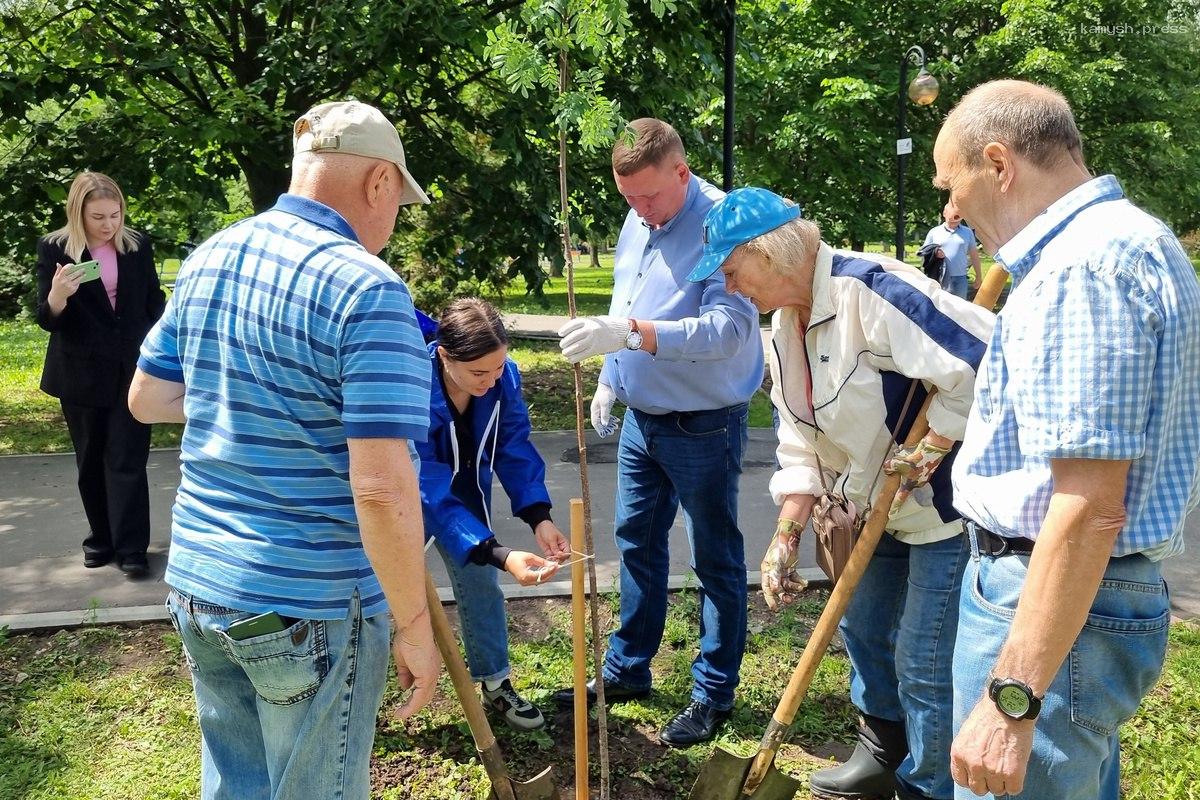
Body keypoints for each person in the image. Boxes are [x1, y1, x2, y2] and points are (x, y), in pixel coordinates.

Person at [127, 100, 440, 800]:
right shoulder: (368, 288)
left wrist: (244, 401)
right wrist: (414, 624)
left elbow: (146, 398)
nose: (395, 222)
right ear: (380, 183)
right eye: (401, 200)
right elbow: (382, 490)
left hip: (203, 584)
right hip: (310, 604)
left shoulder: (211, 256)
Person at [934, 80, 1200, 799]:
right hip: (1075, 604)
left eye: (952, 185)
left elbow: (1086, 507)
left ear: (998, 164)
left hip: (1046, 606)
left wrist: (1010, 701)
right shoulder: (1128, 241)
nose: (951, 212)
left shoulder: (1082, 268)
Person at [690, 187, 993, 799]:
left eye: (730, 270)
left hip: (940, 510)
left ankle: (929, 784)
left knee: (923, 657)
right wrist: (786, 534)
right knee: (863, 629)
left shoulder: (872, 290)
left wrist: (934, 445)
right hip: (863, 504)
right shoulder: (781, 328)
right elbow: (798, 437)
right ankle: (883, 752)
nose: (728, 287)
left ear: (765, 253)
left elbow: (986, 357)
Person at [552, 118, 764, 747]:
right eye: (628, 200)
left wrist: (631, 336)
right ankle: (626, 670)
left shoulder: (723, 225)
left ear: (681, 170)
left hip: (703, 424)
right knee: (636, 544)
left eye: (648, 197)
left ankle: (712, 693)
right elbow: (627, 297)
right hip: (645, 420)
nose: (640, 212)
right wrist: (613, 376)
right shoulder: (640, 215)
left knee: (715, 558)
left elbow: (729, 330)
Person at [416, 297, 569, 731]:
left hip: (466, 497)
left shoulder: (504, 379)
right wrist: (499, 552)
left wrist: (539, 517)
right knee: (374, 596)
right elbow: (422, 480)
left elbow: (514, 445)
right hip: (408, 502)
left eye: (498, 368)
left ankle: (496, 683)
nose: (491, 380)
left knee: (482, 586)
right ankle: (362, 701)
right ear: (444, 355)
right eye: (479, 373)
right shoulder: (411, 383)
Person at [35, 171, 166, 579]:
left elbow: (153, 302)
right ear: (78, 213)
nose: (109, 225)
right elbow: (47, 319)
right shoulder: (56, 248)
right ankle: (101, 540)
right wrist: (59, 296)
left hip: (131, 369)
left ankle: (132, 549)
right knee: (90, 461)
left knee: (127, 459)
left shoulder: (136, 246)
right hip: (79, 373)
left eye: (115, 214)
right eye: (98, 217)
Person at [922, 203, 981, 299]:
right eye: (951, 218)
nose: (954, 222)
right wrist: (935, 252)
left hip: (961, 278)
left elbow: (974, 254)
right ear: (944, 213)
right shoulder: (934, 232)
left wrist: (979, 276)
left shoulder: (968, 232)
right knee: (940, 307)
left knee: (960, 308)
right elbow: (925, 252)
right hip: (939, 277)